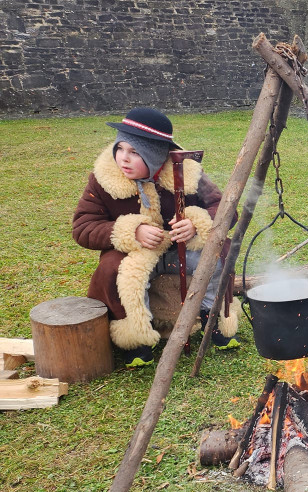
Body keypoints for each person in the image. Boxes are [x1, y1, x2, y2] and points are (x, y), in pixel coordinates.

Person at [73, 107, 240, 367]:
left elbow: (225, 210)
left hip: (181, 251)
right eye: (120, 148)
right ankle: (136, 337)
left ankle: (213, 318)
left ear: (155, 155)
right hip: (134, 253)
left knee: (219, 254)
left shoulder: (186, 173)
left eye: (135, 152)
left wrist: (196, 224)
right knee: (113, 269)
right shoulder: (103, 180)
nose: (123, 159)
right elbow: (83, 227)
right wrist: (131, 231)